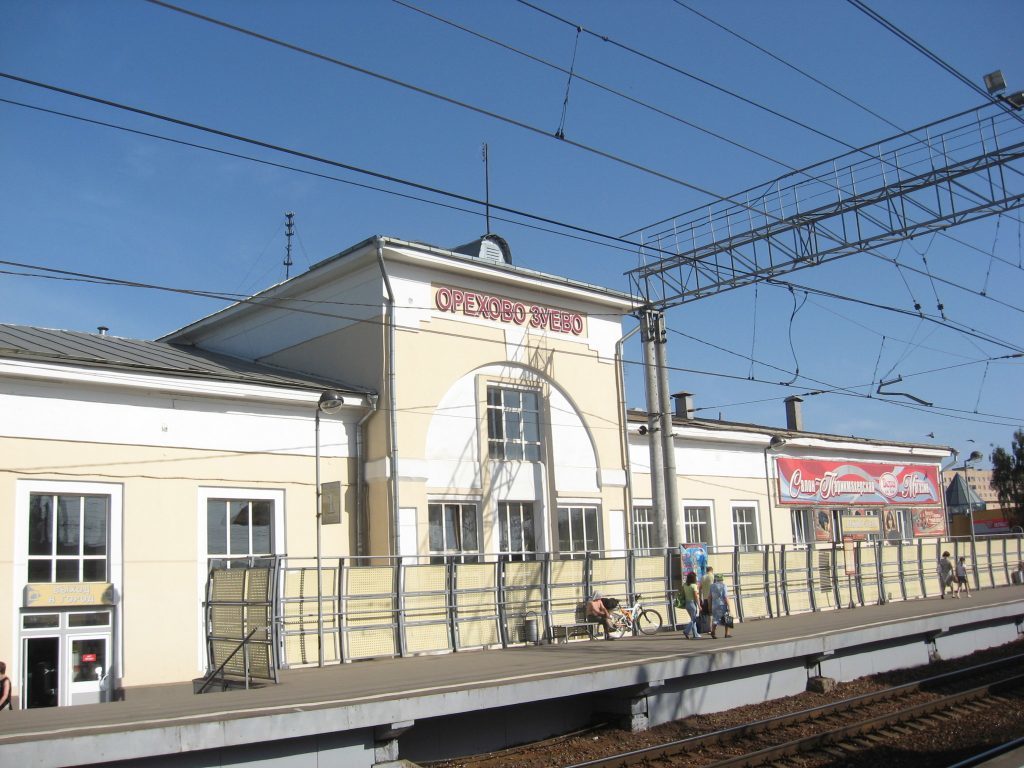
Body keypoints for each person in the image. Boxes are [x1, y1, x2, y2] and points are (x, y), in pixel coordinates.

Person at [675, 572, 702, 639]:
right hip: (693, 603)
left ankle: (695, 634)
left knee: (692, 619)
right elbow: (696, 596)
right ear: (694, 578)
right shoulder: (694, 586)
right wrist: (699, 605)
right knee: (694, 619)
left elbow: (683, 594)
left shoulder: (685, 585)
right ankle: (686, 631)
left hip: (687, 604)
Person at [709, 573, 732, 639]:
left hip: (714, 605)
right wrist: (729, 606)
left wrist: (710, 606)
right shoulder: (723, 585)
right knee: (727, 618)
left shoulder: (712, 586)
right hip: (722, 604)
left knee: (715, 618)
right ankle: (727, 633)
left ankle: (713, 631)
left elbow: (709, 597)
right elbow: (725, 597)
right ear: (722, 579)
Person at [700, 567, 714, 634]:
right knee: (712, 613)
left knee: (709, 614)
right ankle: (711, 629)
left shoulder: (703, 577)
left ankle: (709, 628)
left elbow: (700, 588)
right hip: (712, 598)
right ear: (711, 570)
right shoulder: (712, 576)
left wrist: (701, 597)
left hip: (705, 598)